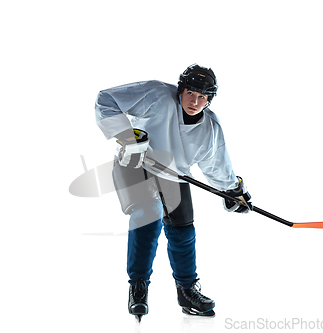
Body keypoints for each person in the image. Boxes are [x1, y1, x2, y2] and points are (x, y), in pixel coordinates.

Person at [94, 64, 252, 321]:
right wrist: (126, 136)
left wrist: (232, 190)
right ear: (181, 90)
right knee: (149, 213)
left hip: (172, 173)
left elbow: (216, 164)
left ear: (209, 100)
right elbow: (106, 99)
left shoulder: (209, 128)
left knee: (183, 230)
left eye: (203, 97)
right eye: (191, 93)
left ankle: (187, 290)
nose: (195, 101)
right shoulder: (156, 94)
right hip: (135, 163)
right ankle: (138, 287)